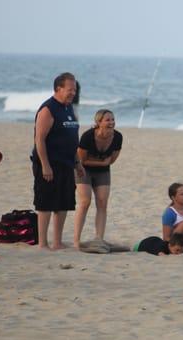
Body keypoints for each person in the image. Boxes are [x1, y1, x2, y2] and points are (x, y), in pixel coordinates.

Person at [32, 72, 83, 250]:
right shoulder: (48, 109)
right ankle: (43, 243)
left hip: (67, 163)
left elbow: (72, 139)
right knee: (45, 203)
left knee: (63, 203)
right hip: (49, 164)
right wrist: (45, 165)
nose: (73, 93)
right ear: (58, 89)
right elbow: (39, 139)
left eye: (74, 89)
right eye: (70, 89)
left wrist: (78, 163)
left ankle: (57, 242)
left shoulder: (68, 108)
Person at [73, 109, 123, 248]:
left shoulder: (118, 137)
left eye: (113, 119)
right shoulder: (88, 136)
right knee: (85, 202)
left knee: (102, 203)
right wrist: (102, 162)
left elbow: (111, 160)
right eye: (107, 120)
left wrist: (104, 164)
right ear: (98, 122)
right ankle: (76, 240)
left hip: (103, 171)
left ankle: (99, 238)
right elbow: (82, 160)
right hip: (83, 170)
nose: (111, 122)